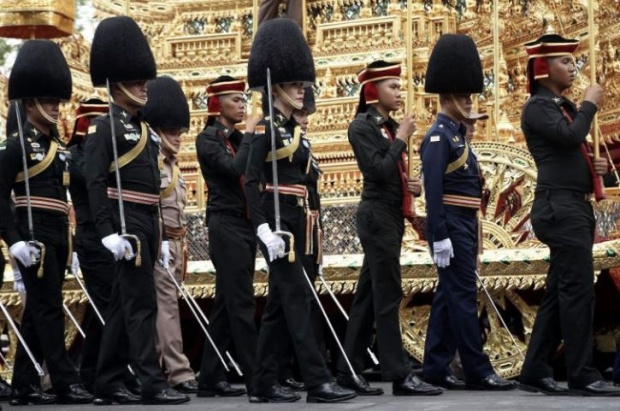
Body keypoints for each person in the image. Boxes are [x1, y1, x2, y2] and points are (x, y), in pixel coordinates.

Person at [245, 18, 356, 403]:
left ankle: (261, 383)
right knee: (296, 299)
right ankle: (317, 380)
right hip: (278, 223)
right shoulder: (265, 128)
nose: (300, 90)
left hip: (299, 221)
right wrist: (262, 229)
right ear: (276, 86)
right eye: (294, 84)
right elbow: (249, 180)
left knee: (281, 303)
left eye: (301, 84)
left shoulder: (293, 130)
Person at [85, 16, 189, 405]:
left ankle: (108, 379)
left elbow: (154, 188)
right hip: (125, 224)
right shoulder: (103, 127)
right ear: (116, 83)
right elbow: (95, 182)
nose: (145, 85)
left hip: (147, 223)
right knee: (140, 305)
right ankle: (151, 380)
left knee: (120, 307)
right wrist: (107, 231)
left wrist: (159, 234)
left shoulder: (145, 130)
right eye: (136, 80)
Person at [517, 31, 620, 397]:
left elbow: (571, 143)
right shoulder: (538, 106)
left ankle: (534, 369)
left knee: (561, 293)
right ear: (543, 68)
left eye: (573, 60)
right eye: (564, 61)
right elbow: (568, 136)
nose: (572, 67)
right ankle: (582, 372)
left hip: (572, 204)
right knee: (579, 293)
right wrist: (590, 104)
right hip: (558, 207)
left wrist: (598, 167)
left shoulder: (564, 108)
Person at [335, 60, 441, 397]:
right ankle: (399, 374)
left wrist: (408, 185)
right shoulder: (362, 127)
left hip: (390, 214)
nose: (399, 92)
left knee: (367, 298)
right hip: (376, 215)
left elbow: (390, 172)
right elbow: (377, 170)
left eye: (399, 86)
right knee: (387, 295)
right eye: (392, 86)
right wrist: (401, 138)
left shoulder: (386, 127)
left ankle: (348, 370)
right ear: (372, 90)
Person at [420, 33, 517, 392]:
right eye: (463, 95)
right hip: (450, 223)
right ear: (448, 97)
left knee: (449, 297)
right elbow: (432, 193)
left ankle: (434, 366)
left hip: (464, 224)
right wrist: (440, 234)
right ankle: (477, 369)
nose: (468, 100)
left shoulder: (457, 136)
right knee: (461, 296)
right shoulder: (438, 138)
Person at [0, 40, 93, 405]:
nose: (57, 107)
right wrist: (14, 240)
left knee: (43, 308)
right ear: (29, 103)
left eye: (58, 100)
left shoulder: (58, 147)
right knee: (49, 310)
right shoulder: (13, 148)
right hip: (32, 233)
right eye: (50, 101)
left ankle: (24, 382)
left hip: (58, 234)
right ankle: (65, 381)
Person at [67, 98, 141, 401]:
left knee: (114, 308)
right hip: (91, 238)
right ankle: (104, 374)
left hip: (113, 235)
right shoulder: (75, 156)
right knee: (109, 308)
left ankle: (100, 372)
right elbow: (90, 177)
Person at [195, 75, 258, 397]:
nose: (242, 104)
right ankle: (256, 379)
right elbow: (234, 170)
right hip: (225, 224)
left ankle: (209, 376)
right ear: (217, 104)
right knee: (241, 304)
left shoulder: (234, 138)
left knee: (225, 305)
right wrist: (248, 134)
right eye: (235, 99)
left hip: (244, 224)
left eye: (243, 99)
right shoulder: (208, 139)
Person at [142, 76, 198, 394]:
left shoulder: (171, 164)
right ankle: (179, 371)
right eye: (172, 130)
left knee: (165, 306)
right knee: (165, 306)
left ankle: (160, 368)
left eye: (179, 130)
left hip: (176, 244)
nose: (177, 137)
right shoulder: (151, 162)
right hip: (161, 241)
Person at [277, 87, 326, 390]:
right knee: (292, 300)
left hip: (307, 225)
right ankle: (295, 370)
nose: (305, 119)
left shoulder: (302, 144)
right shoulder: (282, 138)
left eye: (307, 113)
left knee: (298, 300)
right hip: (290, 223)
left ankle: (288, 369)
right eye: (300, 113)